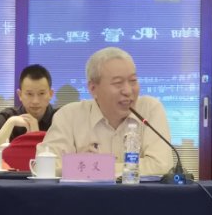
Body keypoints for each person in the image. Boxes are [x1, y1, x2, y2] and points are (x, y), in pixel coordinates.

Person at [42, 47, 174, 176]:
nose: (128, 91)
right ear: (93, 88)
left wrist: (93, 166)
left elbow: (160, 166)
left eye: (133, 81)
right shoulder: (68, 116)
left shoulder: (150, 109)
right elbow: (45, 166)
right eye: (118, 83)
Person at [0, 64, 56, 147]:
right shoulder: (6, 116)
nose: (35, 101)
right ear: (20, 95)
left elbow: (69, 153)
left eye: (41, 93)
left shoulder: (61, 118)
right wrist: (11, 122)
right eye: (29, 94)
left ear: (51, 94)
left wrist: (35, 136)